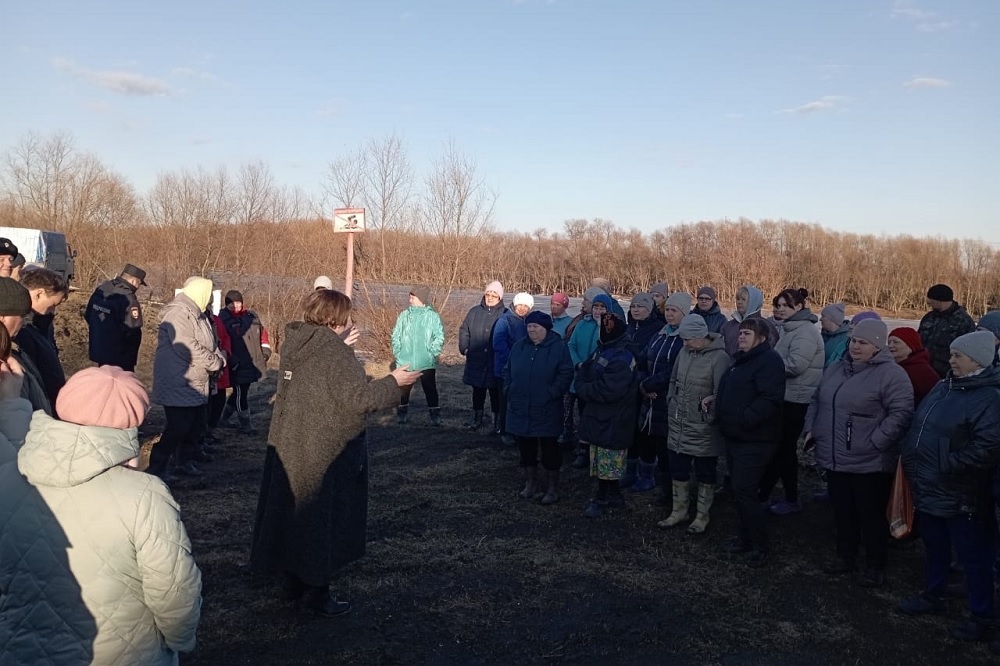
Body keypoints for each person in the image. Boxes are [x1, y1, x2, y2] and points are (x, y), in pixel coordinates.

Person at [0, 364, 202, 665]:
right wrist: (180, 641)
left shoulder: (7, 479)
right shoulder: (145, 495)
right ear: (132, 422)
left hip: (22, 652)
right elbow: (174, 592)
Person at [250, 289, 421, 616]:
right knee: (320, 520)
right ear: (336, 319)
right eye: (347, 316)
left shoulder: (298, 344)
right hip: (324, 450)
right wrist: (395, 382)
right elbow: (360, 400)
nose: (351, 321)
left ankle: (292, 582)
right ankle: (317, 592)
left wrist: (341, 345)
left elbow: (322, 380)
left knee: (294, 514)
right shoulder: (334, 355)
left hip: (293, 444)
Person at [898, 331, 1000, 644]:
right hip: (928, 483)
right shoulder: (945, 386)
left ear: (979, 360)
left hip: (961, 491)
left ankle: (981, 615)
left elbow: (988, 445)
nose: (951, 360)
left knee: (973, 556)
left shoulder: (990, 397)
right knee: (935, 545)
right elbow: (922, 424)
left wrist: (948, 463)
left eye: (959, 356)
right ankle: (934, 595)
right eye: (953, 354)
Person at [804, 319, 914, 587]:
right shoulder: (837, 368)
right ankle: (845, 556)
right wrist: (812, 429)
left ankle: (875, 565)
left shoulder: (891, 374)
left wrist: (876, 441)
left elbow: (901, 413)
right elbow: (817, 399)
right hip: (835, 455)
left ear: (877, 346)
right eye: (853, 341)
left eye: (863, 343)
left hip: (869, 460)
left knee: (870, 514)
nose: (855, 346)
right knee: (842, 510)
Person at [715, 318, 786, 566]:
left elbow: (770, 399)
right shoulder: (741, 360)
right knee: (739, 489)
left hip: (756, 439)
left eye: (747, 333)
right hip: (737, 435)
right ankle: (745, 538)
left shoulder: (769, 362)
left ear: (762, 338)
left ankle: (758, 545)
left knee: (745, 490)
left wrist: (744, 419)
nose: (741, 337)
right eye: (740, 333)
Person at [147, 277, 226, 480]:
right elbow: (187, 346)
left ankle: (185, 461)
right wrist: (214, 362)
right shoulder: (179, 313)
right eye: (208, 294)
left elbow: (209, 341)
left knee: (195, 423)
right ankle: (158, 466)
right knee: (178, 426)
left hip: (194, 379)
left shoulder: (198, 314)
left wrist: (220, 357)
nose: (209, 298)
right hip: (178, 379)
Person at [658, 314, 731, 533]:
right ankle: (679, 511)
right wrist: (672, 401)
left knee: (705, 471)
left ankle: (702, 515)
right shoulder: (684, 352)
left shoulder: (720, 358)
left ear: (701, 336)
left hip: (703, 426)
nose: (685, 343)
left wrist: (708, 415)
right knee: (678, 468)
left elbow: (721, 393)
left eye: (689, 339)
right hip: (679, 421)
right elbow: (673, 380)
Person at [758, 288, 824, 515]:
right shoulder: (790, 329)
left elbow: (795, 364)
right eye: (778, 305)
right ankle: (772, 494)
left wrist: (766, 366)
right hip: (786, 396)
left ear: (799, 307)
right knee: (780, 449)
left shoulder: (804, 332)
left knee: (783, 450)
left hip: (796, 400)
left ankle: (783, 497)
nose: (780, 309)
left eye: (786, 305)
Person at [504, 311, 573, 504]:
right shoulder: (519, 346)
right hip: (521, 405)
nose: (532, 330)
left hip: (547, 407)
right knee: (526, 448)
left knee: (550, 449)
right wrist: (509, 389)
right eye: (529, 326)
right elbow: (507, 369)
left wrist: (551, 393)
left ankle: (552, 488)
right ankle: (531, 483)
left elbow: (566, 373)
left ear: (546, 329)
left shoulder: (558, 347)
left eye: (536, 327)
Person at [576, 312, 638, 518]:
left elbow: (609, 390)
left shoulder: (622, 357)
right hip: (601, 416)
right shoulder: (604, 350)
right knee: (602, 458)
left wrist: (584, 388)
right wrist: (584, 382)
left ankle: (603, 497)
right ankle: (613, 495)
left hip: (615, 417)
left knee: (609, 460)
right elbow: (586, 369)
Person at [638, 292, 689, 503]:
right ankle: (649, 479)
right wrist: (642, 383)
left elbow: (675, 369)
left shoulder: (684, 339)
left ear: (684, 314)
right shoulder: (659, 334)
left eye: (674, 311)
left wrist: (650, 384)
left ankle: (670, 493)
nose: (669, 314)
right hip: (649, 397)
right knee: (648, 439)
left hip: (667, 399)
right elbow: (642, 360)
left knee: (666, 447)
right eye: (667, 310)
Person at [621, 292, 662, 489]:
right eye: (634, 306)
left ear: (650, 309)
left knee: (646, 432)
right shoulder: (627, 328)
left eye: (641, 307)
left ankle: (647, 475)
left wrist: (645, 382)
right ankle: (630, 472)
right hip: (627, 388)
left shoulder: (657, 330)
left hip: (646, 387)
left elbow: (651, 360)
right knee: (630, 430)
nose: (636, 310)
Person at [14, 268, 68, 411]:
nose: (53, 312)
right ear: (39, 294)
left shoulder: (42, 323)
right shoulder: (22, 331)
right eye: (52, 305)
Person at [218, 290, 271, 434]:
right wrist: (232, 360)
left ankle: (224, 418)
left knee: (240, 392)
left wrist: (265, 352)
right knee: (240, 394)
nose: (235, 306)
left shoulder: (251, 316)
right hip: (237, 364)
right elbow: (222, 341)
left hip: (252, 363)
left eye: (238, 302)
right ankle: (245, 424)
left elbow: (263, 335)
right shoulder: (223, 319)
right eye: (231, 303)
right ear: (226, 304)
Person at [392, 285, 445, 426]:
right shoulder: (404, 315)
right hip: (406, 360)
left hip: (426, 361)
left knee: (430, 389)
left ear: (420, 298)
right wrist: (398, 352)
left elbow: (439, 336)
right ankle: (402, 414)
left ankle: (435, 416)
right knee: (403, 389)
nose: (409, 299)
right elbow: (396, 335)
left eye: (412, 296)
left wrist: (432, 353)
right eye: (410, 296)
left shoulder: (432, 316)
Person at [458, 281, 506, 432]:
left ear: (500, 297)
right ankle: (476, 418)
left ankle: (497, 422)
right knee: (477, 391)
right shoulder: (474, 312)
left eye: (494, 295)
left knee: (495, 393)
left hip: (494, 361)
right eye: (488, 294)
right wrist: (465, 348)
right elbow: (464, 330)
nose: (490, 297)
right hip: (476, 359)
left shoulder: (504, 314)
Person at [0, 277, 51, 415]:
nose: (23, 323)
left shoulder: (15, 349)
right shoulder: (4, 365)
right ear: (2, 316)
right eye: (21, 316)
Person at [568, 292, 608, 467]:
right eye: (596, 307)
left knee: (594, 415)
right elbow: (572, 345)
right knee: (582, 413)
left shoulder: (609, 328)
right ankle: (582, 449)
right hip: (580, 375)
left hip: (598, 379)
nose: (598, 311)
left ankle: (595, 452)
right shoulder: (582, 325)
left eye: (602, 308)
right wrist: (578, 363)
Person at [85, 263, 147, 372]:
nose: (137, 287)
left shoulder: (102, 290)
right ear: (133, 281)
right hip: (120, 357)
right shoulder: (128, 299)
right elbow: (133, 330)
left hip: (99, 351)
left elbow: (88, 315)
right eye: (139, 284)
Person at [492, 292, 533, 444]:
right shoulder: (505, 320)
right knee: (505, 401)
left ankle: (516, 430)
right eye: (520, 305)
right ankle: (505, 431)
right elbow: (499, 344)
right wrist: (514, 361)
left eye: (526, 306)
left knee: (517, 401)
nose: (522, 308)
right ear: (515, 305)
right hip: (505, 369)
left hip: (521, 370)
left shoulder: (527, 322)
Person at [919, 283, 976, 378]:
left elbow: (969, 352)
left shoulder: (964, 321)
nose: (929, 302)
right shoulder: (929, 317)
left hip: (947, 374)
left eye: (931, 300)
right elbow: (917, 340)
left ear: (940, 300)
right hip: (923, 369)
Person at [887, 327, 940, 407]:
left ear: (910, 347)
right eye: (889, 342)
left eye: (896, 342)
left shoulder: (921, 371)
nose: (890, 346)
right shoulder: (890, 366)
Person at [721, 285, 778, 356]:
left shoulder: (765, 326)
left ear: (753, 302)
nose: (739, 302)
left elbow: (770, 352)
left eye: (743, 299)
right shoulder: (728, 326)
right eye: (738, 299)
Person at [205, 305, 233, 444]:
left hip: (220, 367)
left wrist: (226, 351)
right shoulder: (202, 320)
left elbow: (225, 337)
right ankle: (203, 434)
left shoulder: (217, 320)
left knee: (219, 401)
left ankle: (211, 430)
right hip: (209, 368)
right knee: (208, 404)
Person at [819, 303, 850, 367]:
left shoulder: (847, 338)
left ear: (832, 319)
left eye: (823, 316)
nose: (820, 319)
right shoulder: (822, 335)